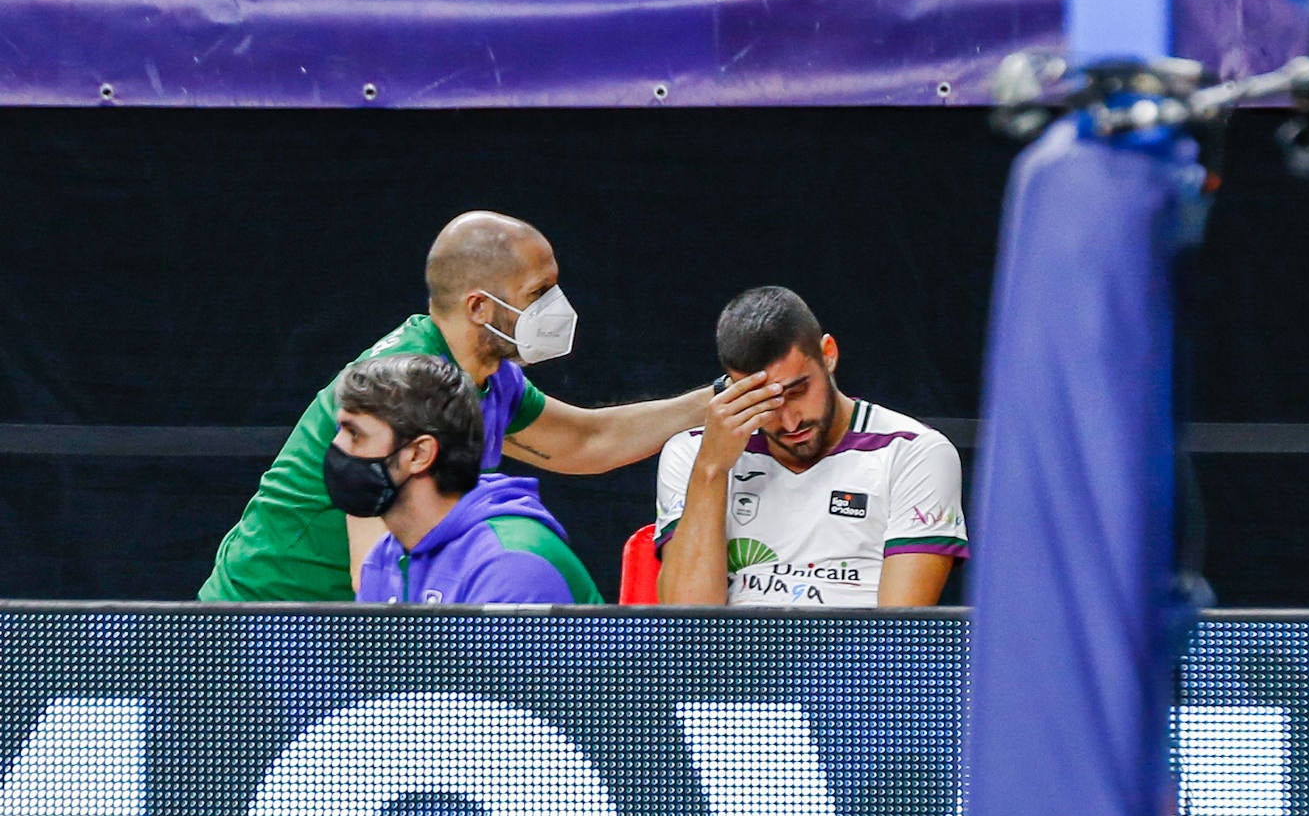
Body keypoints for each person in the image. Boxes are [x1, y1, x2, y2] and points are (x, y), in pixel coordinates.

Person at [199, 209, 711, 601]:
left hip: (340, 628)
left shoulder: (489, 378)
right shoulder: (398, 391)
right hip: (271, 617)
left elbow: (586, 440)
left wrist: (720, 400)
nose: (556, 307)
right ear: (479, 307)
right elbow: (376, 574)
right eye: (539, 292)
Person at [655, 285, 968, 606]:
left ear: (828, 354)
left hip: (856, 654)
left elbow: (898, 639)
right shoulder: (692, 453)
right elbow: (689, 632)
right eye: (766, 402)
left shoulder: (914, 452)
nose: (790, 422)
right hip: (735, 655)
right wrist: (712, 470)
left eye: (798, 390)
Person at [325, 353, 602, 603]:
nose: (337, 448)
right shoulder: (385, 557)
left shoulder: (510, 566)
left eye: (355, 434)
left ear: (420, 453)